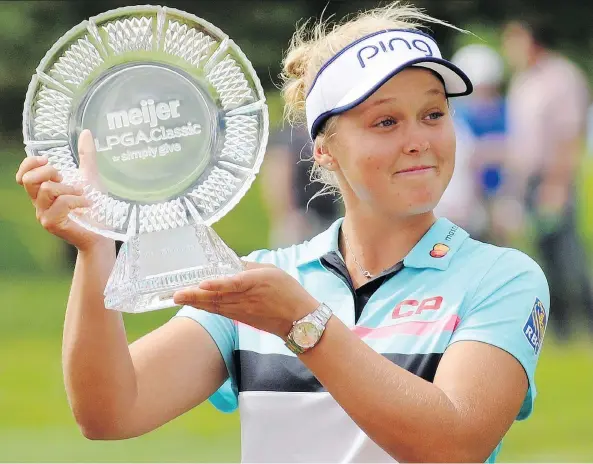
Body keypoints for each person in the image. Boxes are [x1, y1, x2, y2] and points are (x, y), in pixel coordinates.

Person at [16, 3, 550, 462]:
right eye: (385, 122)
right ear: (323, 148)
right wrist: (94, 246)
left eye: (433, 114)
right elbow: (110, 410)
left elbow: (454, 446)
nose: (418, 140)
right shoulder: (264, 281)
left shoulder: (500, 278)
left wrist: (302, 323)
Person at [502, 19, 592, 342]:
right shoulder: (521, 82)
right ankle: (562, 328)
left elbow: (568, 136)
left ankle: (587, 320)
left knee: (568, 253)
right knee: (543, 255)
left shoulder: (561, 77)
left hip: (554, 177)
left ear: (533, 41)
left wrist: (557, 184)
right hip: (528, 181)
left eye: (514, 41)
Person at [435, 44, 509, 244]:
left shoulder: (503, 113)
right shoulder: (455, 119)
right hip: (460, 207)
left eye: (490, 90)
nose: (485, 99)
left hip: (489, 200)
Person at [260, 123, 341, 248]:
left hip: (328, 219)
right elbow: (277, 179)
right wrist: (286, 215)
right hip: (301, 219)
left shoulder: (323, 132)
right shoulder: (287, 137)